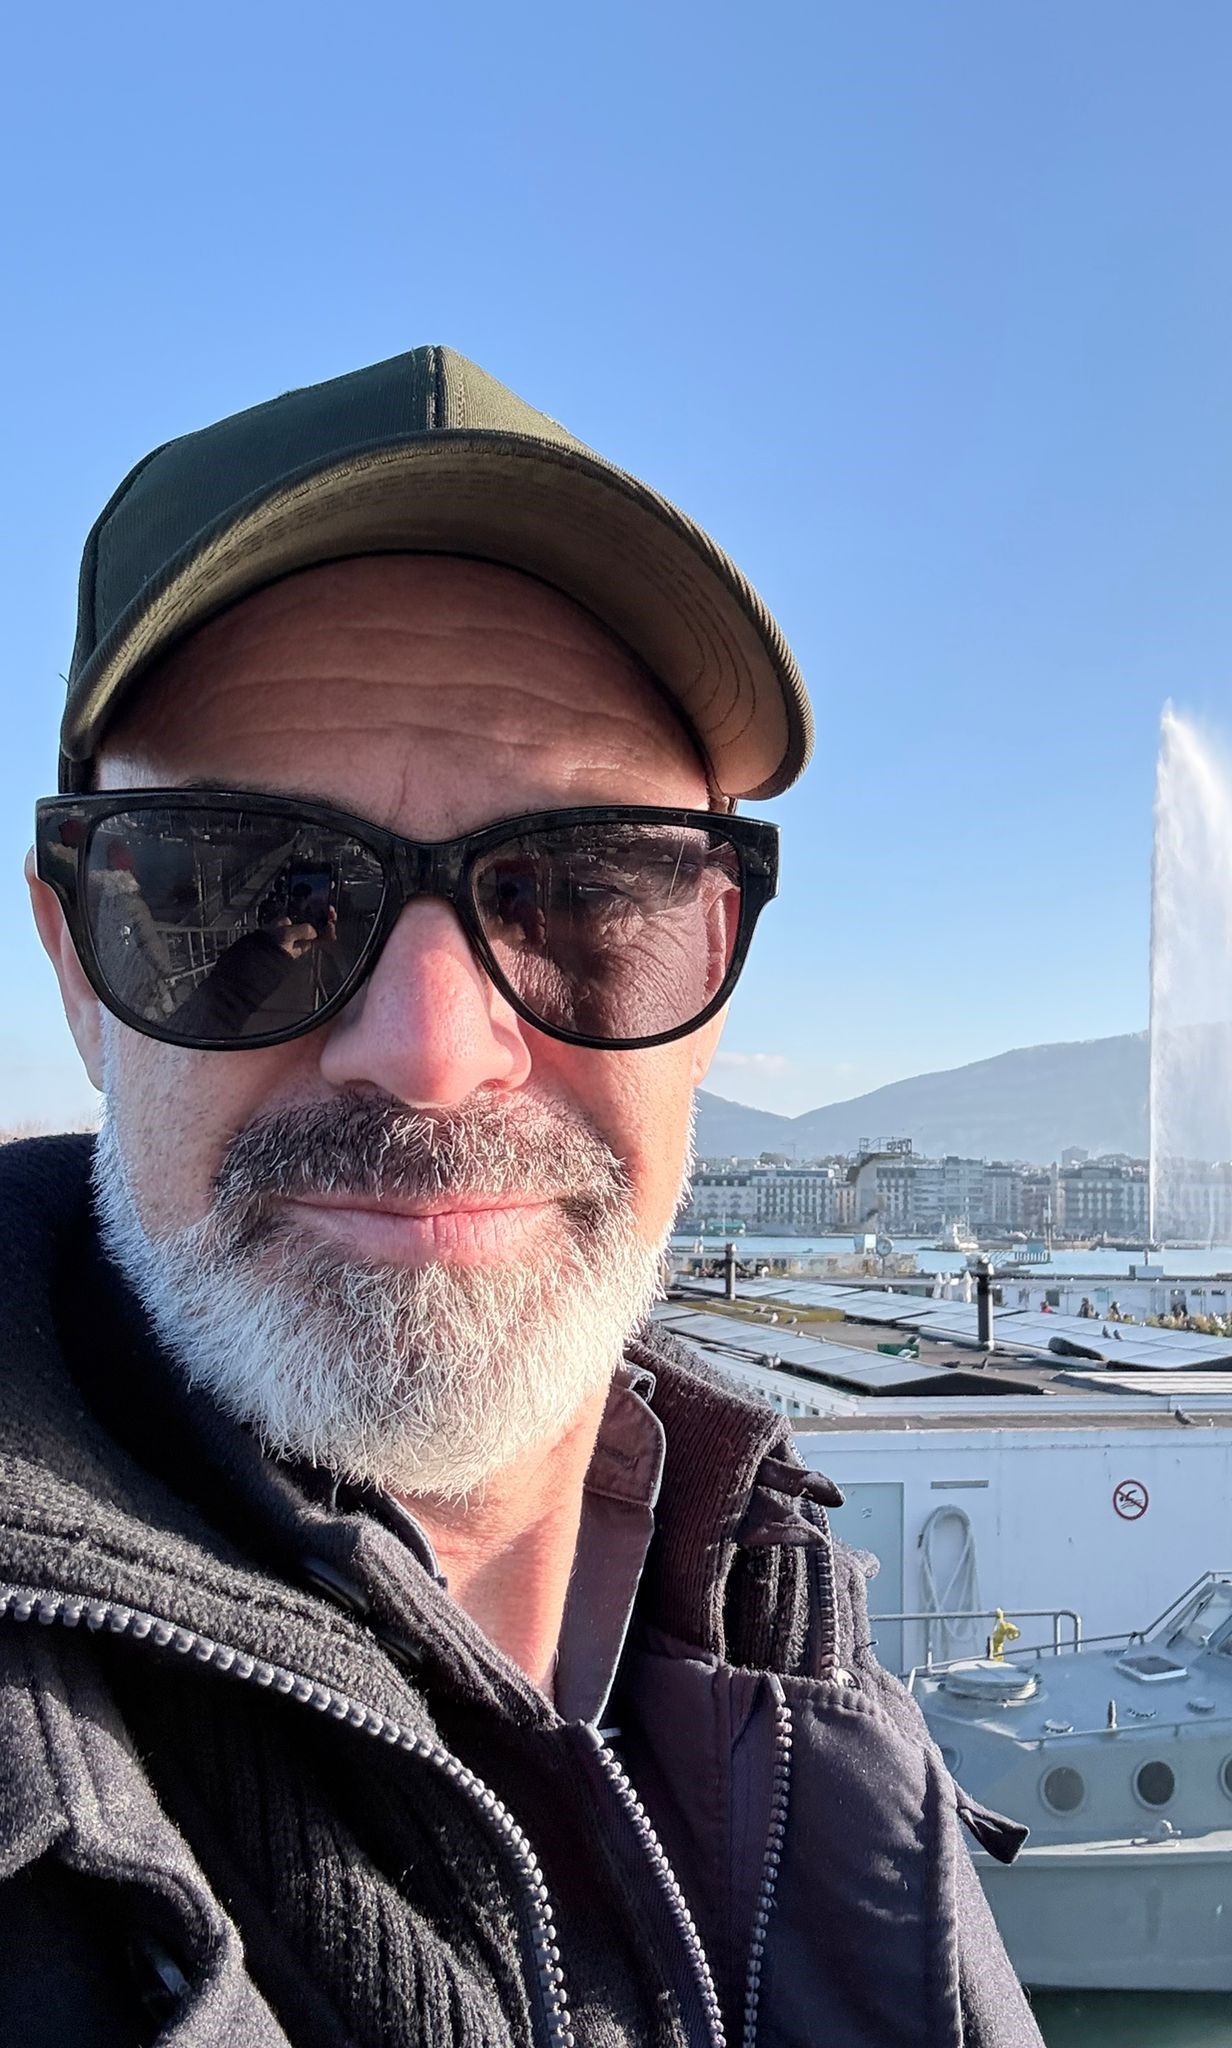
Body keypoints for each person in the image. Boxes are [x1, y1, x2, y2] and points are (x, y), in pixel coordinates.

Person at [2, 349, 1038, 2047]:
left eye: (576, 893)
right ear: (76, 967)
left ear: (712, 961)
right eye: (252, 893)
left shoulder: (815, 1695)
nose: (430, 1051)